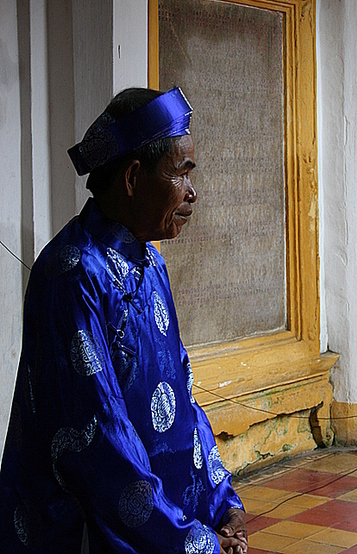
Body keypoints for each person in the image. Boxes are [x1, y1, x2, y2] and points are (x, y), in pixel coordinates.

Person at [0, 87, 247, 554]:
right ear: (133, 178)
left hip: (163, 527)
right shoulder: (73, 275)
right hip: (87, 532)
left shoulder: (149, 262)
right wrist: (191, 541)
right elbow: (102, 442)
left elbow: (181, 392)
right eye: (180, 174)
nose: (193, 192)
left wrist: (220, 501)